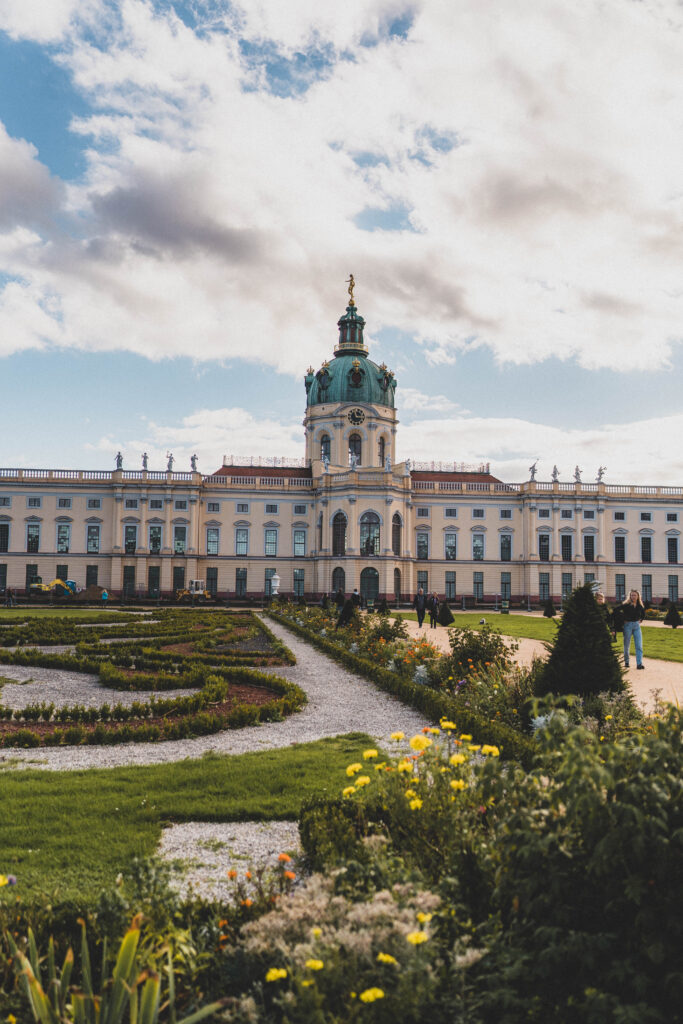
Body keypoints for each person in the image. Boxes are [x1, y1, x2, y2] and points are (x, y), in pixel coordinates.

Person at [618, 589, 645, 669]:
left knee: (639, 646)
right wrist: (622, 619)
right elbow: (616, 610)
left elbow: (643, 613)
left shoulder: (640, 605)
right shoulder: (626, 605)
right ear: (630, 596)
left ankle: (639, 664)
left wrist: (641, 619)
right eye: (632, 595)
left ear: (638, 596)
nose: (633, 596)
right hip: (627, 626)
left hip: (637, 626)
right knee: (626, 645)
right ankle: (626, 662)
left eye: (635, 595)